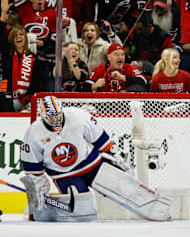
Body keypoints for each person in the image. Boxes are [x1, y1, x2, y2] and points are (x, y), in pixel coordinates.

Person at [19, 95, 171, 222]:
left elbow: (100, 139)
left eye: (58, 115)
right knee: (82, 211)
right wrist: (37, 190)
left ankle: (160, 209)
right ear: (43, 117)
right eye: (51, 119)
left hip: (93, 164)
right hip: (64, 175)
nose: (56, 120)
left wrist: (116, 156)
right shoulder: (34, 133)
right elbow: (33, 170)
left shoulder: (77, 117)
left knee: (124, 187)